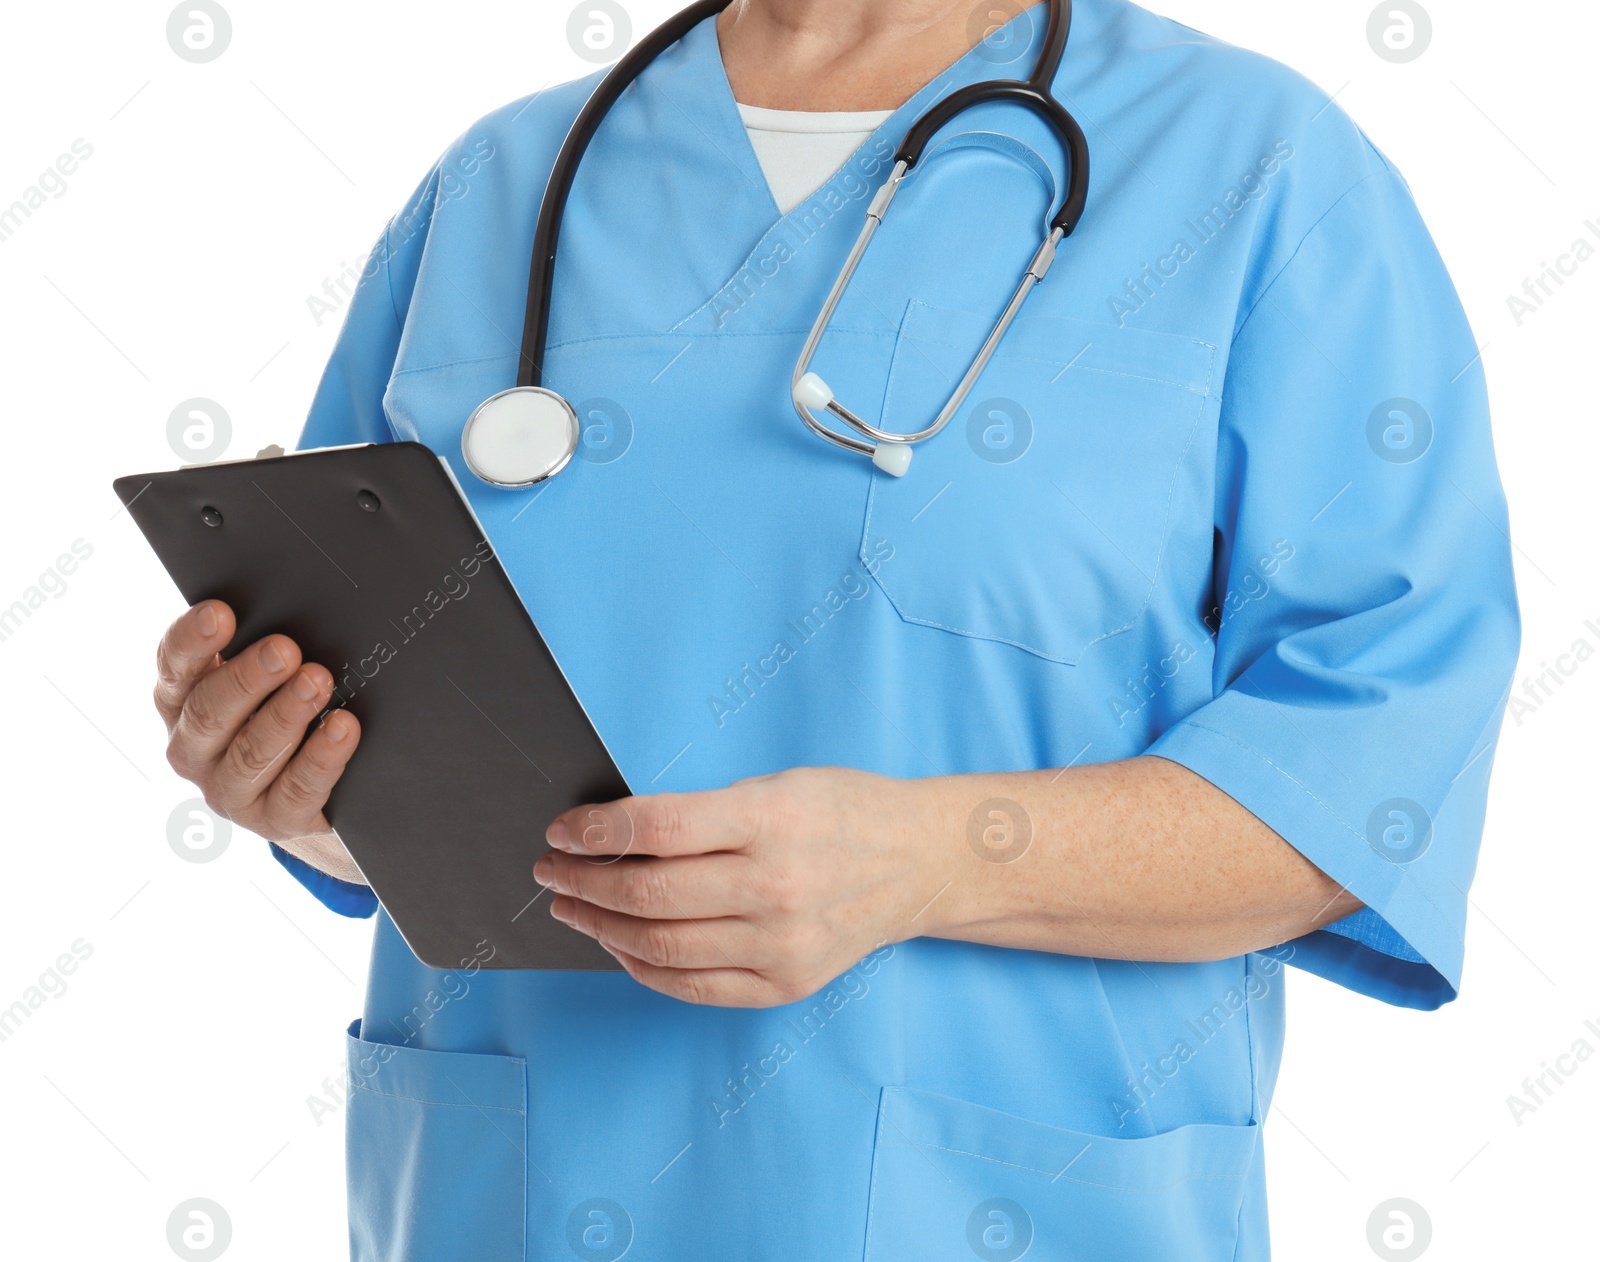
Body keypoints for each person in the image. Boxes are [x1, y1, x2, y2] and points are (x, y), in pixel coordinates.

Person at [150, 0, 1519, 1256]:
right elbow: (376, 735)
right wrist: (297, 782)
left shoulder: (1258, 175)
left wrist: (933, 859)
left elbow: (1369, 782)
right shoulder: (498, 190)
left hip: (1005, 1206)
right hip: (522, 1199)